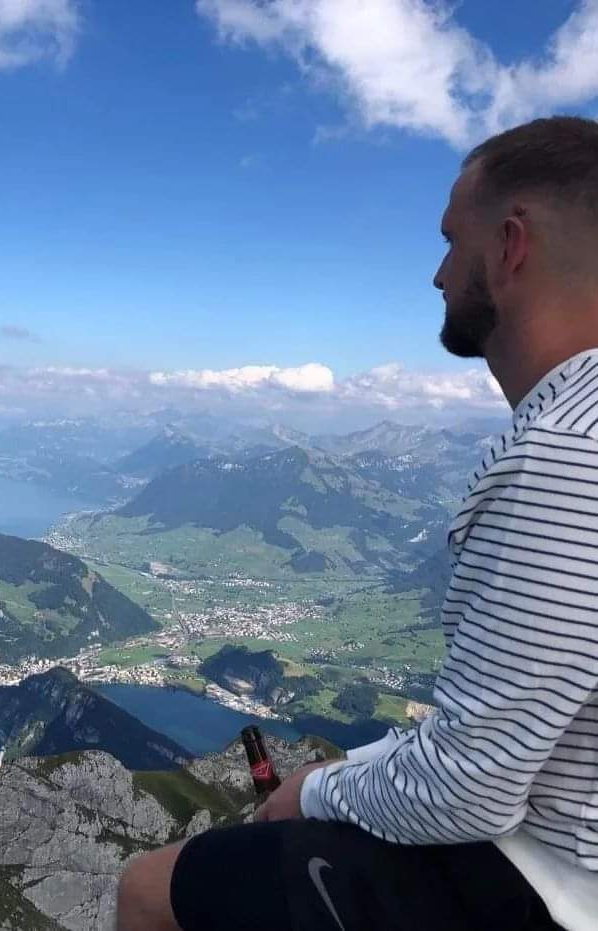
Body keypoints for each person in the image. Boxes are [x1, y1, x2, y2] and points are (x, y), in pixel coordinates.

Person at [114, 116, 598, 931]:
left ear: (509, 246)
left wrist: (312, 789)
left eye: (450, 240)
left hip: (554, 883)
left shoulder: (565, 449)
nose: (436, 274)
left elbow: (469, 788)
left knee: (149, 888)